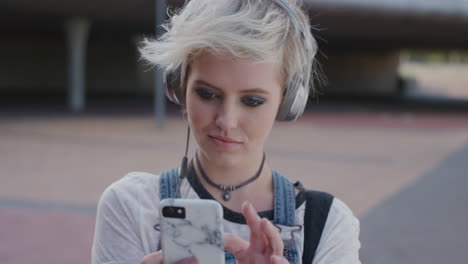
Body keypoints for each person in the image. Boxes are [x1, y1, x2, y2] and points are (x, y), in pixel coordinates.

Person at [91, 0, 361, 263]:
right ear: (179, 86)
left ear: (288, 101)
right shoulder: (129, 206)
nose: (226, 120)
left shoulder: (328, 225)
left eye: (252, 101)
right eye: (207, 94)